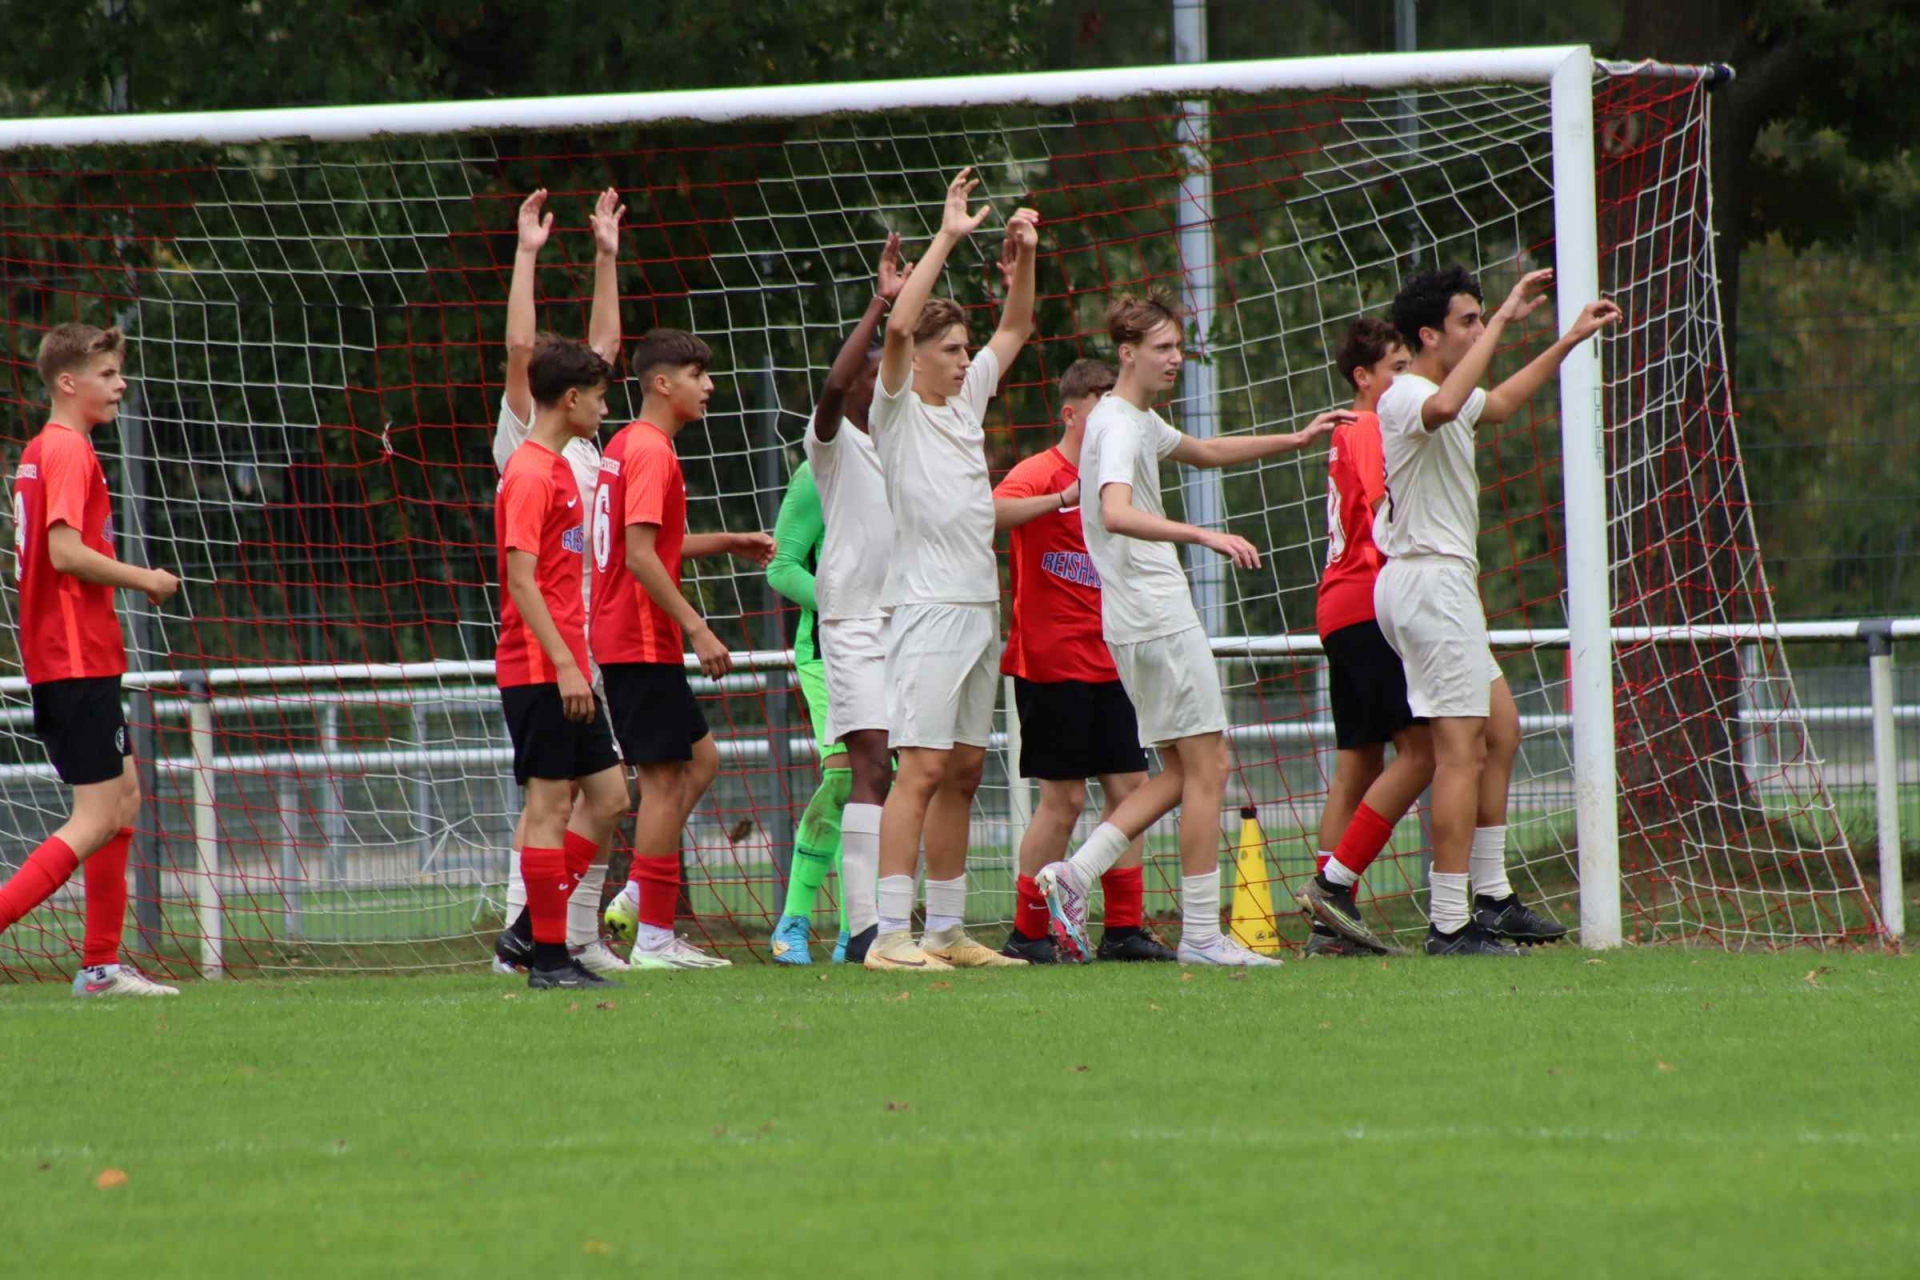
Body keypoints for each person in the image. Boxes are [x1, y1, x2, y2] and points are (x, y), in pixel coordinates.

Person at [1035, 291, 1349, 967]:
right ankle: (1202, 936)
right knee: (1208, 766)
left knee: (1181, 771)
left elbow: (1203, 450)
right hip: (1154, 613)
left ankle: (1074, 874)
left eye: (1179, 347)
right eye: (1164, 349)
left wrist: (1295, 438)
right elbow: (1115, 512)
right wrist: (1201, 533)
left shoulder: (1134, 419)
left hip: (1138, 619)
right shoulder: (1117, 427)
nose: (1177, 359)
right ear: (1128, 354)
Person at [1372, 263, 1616, 955]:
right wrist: (1507, 315)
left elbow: (1498, 403)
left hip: (1440, 583)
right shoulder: (1405, 394)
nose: (1479, 329)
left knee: (1501, 730)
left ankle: (1491, 895)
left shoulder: (1437, 390)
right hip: (1427, 583)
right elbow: (1447, 407)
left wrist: (1567, 340)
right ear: (1429, 334)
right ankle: (1450, 923)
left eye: (1482, 318)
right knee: (1457, 755)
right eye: (1467, 321)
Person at [864, 169, 1038, 971]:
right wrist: (948, 235)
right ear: (922, 358)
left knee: (966, 770)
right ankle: (890, 936)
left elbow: (1018, 326)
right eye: (954, 350)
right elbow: (896, 328)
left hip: (978, 609)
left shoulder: (966, 403)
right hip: (928, 609)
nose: (968, 359)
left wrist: (1023, 258)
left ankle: (946, 932)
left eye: (967, 349)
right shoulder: (896, 410)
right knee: (923, 768)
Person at [0, 323, 180, 997]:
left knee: (124, 799)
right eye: (107, 374)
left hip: (75, 655)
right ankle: (97, 965)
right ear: (68, 383)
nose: (121, 384)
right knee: (96, 816)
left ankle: (101, 966)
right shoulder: (69, 451)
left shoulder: (40, 450)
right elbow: (65, 552)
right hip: (72, 656)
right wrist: (147, 579)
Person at [596, 329, 775, 968]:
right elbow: (641, 558)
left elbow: (648, 544)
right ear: (662, 383)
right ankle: (652, 938)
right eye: (699, 374)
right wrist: (697, 627)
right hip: (641, 641)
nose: (710, 385)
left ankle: (640, 893)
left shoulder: (624, 445)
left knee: (701, 764)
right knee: (664, 785)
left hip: (634, 639)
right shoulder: (651, 452)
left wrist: (726, 540)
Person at [490, 187, 632, 977]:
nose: (607, 400)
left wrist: (607, 254)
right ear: (566, 400)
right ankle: (545, 948)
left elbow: (596, 355)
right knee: (546, 806)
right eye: (597, 394)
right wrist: (529, 254)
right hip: (547, 658)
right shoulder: (526, 454)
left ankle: (533, 933)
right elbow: (524, 354)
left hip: (579, 649)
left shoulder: (584, 450)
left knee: (608, 798)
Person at [995, 358, 1173, 964]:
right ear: (1071, 414)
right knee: (1064, 800)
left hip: (1114, 659)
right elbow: (989, 512)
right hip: (1052, 663)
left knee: (1131, 789)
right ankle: (1028, 932)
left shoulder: (1118, 477)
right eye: (1101, 403)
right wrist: (1060, 498)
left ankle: (1123, 929)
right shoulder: (1037, 472)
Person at [1292, 317, 1421, 958]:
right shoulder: (1369, 426)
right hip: (1369, 605)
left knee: (1357, 766)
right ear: (1363, 378)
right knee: (1423, 751)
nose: (1407, 377)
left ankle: (1328, 929)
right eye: (1397, 367)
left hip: (1340, 606)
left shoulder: (1351, 431)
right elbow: (1382, 504)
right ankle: (1330, 890)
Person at [803, 233, 914, 964]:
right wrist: (880, 303)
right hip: (848, 622)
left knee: (903, 769)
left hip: (906, 619)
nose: (880, 379)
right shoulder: (834, 441)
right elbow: (834, 388)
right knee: (871, 766)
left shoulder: (910, 442)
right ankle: (866, 928)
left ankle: (888, 919)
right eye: (876, 371)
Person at [764, 459, 853, 964]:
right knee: (843, 778)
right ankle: (793, 923)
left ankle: (855, 931)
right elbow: (781, 567)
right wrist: (848, 607)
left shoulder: (906, 453)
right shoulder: (818, 471)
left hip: (898, 644)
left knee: (881, 784)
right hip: (830, 647)